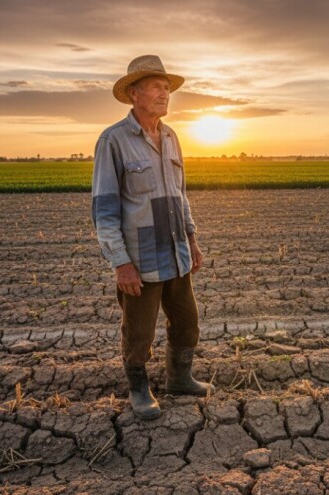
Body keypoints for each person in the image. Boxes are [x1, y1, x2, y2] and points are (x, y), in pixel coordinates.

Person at [91, 55, 214, 420]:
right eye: (156, 87)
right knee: (139, 332)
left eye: (167, 88)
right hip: (140, 258)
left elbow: (180, 195)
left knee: (187, 321)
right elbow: (105, 210)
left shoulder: (172, 137)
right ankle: (139, 390)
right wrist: (121, 263)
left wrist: (191, 239)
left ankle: (179, 379)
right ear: (134, 93)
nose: (165, 94)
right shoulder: (113, 141)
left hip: (175, 251)